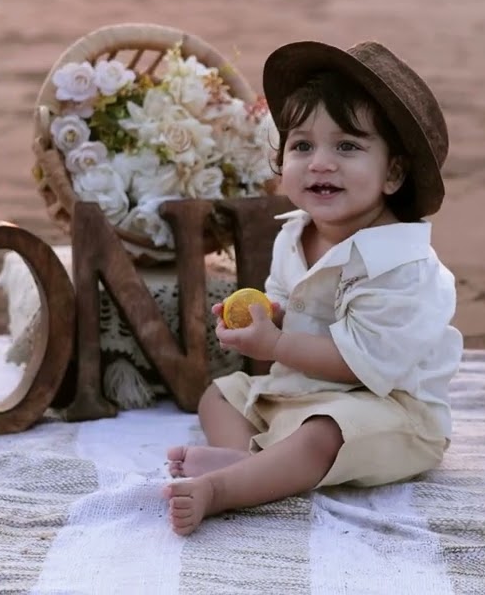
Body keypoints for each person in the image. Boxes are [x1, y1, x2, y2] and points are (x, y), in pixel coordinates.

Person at [162, 40, 463, 536]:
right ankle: (248, 464)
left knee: (323, 435)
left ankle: (224, 488)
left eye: (347, 146)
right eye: (302, 146)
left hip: (387, 411)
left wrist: (276, 344)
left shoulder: (401, 266)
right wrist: (265, 318)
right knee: (219, 395)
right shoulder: (294, 234)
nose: (320, 162)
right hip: (301, 391)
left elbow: (359, 362)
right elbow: (287, 305)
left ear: (393, 173)